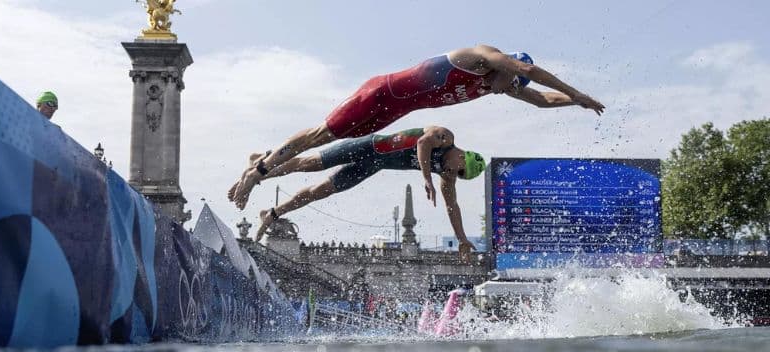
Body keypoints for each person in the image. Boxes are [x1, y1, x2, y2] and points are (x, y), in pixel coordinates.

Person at [228, 45, 605, 209]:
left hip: (392, 113)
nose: (499, 92)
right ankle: (256, 172)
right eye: (504, 84)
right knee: (321, 136)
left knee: (333, 140)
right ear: (503, 68)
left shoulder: (498, 83)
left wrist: (578, 102)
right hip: (380, 93)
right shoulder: (479, 58)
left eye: (506, 91)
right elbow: (529, 73)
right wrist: (577, 88)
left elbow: (539, 99)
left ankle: (262, 159)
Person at [253, 126, 484, 262]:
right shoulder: (445, 137)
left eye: (459, 175)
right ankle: (263, 166)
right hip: (368, 146)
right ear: (463, 156)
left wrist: (462, 239)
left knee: (318, 192)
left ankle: (272, 213)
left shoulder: (447, 175)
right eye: (458, 169)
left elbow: (452, 207)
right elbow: (422, 142)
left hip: (371, 166)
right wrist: (426, 177)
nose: (453, 173)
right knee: (311, 164)